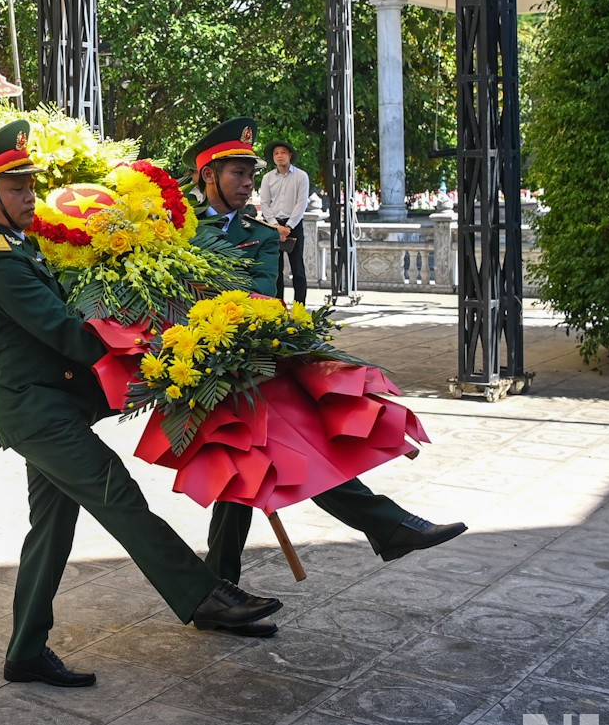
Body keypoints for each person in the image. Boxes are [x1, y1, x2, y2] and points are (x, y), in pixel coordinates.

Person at [0, 120, 283, 688]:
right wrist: (159, 342)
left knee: (51, 531)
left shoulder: (22, 246)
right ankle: (204, 595)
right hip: (37, 412)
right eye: (15, 189)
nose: (29, 196)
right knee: (118, 494)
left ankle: (26, 651)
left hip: (54, 406)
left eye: (31, 185)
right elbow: (67, 333)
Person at [190, 117, 465, 587]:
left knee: (257, 466)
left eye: (250, 174)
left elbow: (258, 299)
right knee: (274, 459)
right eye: (238, 173)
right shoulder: (177, 232)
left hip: (252, 362)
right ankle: (386, 527)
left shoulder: (260, 236)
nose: (248, 182)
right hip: (198, 367)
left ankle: (219, 589)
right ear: (208, 176)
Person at [255, 138, 311, 303]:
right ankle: (278, 307)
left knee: (298, 270)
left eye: (283, 153)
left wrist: (288, 226)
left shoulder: (301, 176)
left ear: (290, 155)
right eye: (276, 153)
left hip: (293, 224)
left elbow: (302, 203)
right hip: (272, 226)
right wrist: (275, 225)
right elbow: (264, 202)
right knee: (275, 270)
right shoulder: (267, 178)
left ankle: (300, 307)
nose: (280, 156)